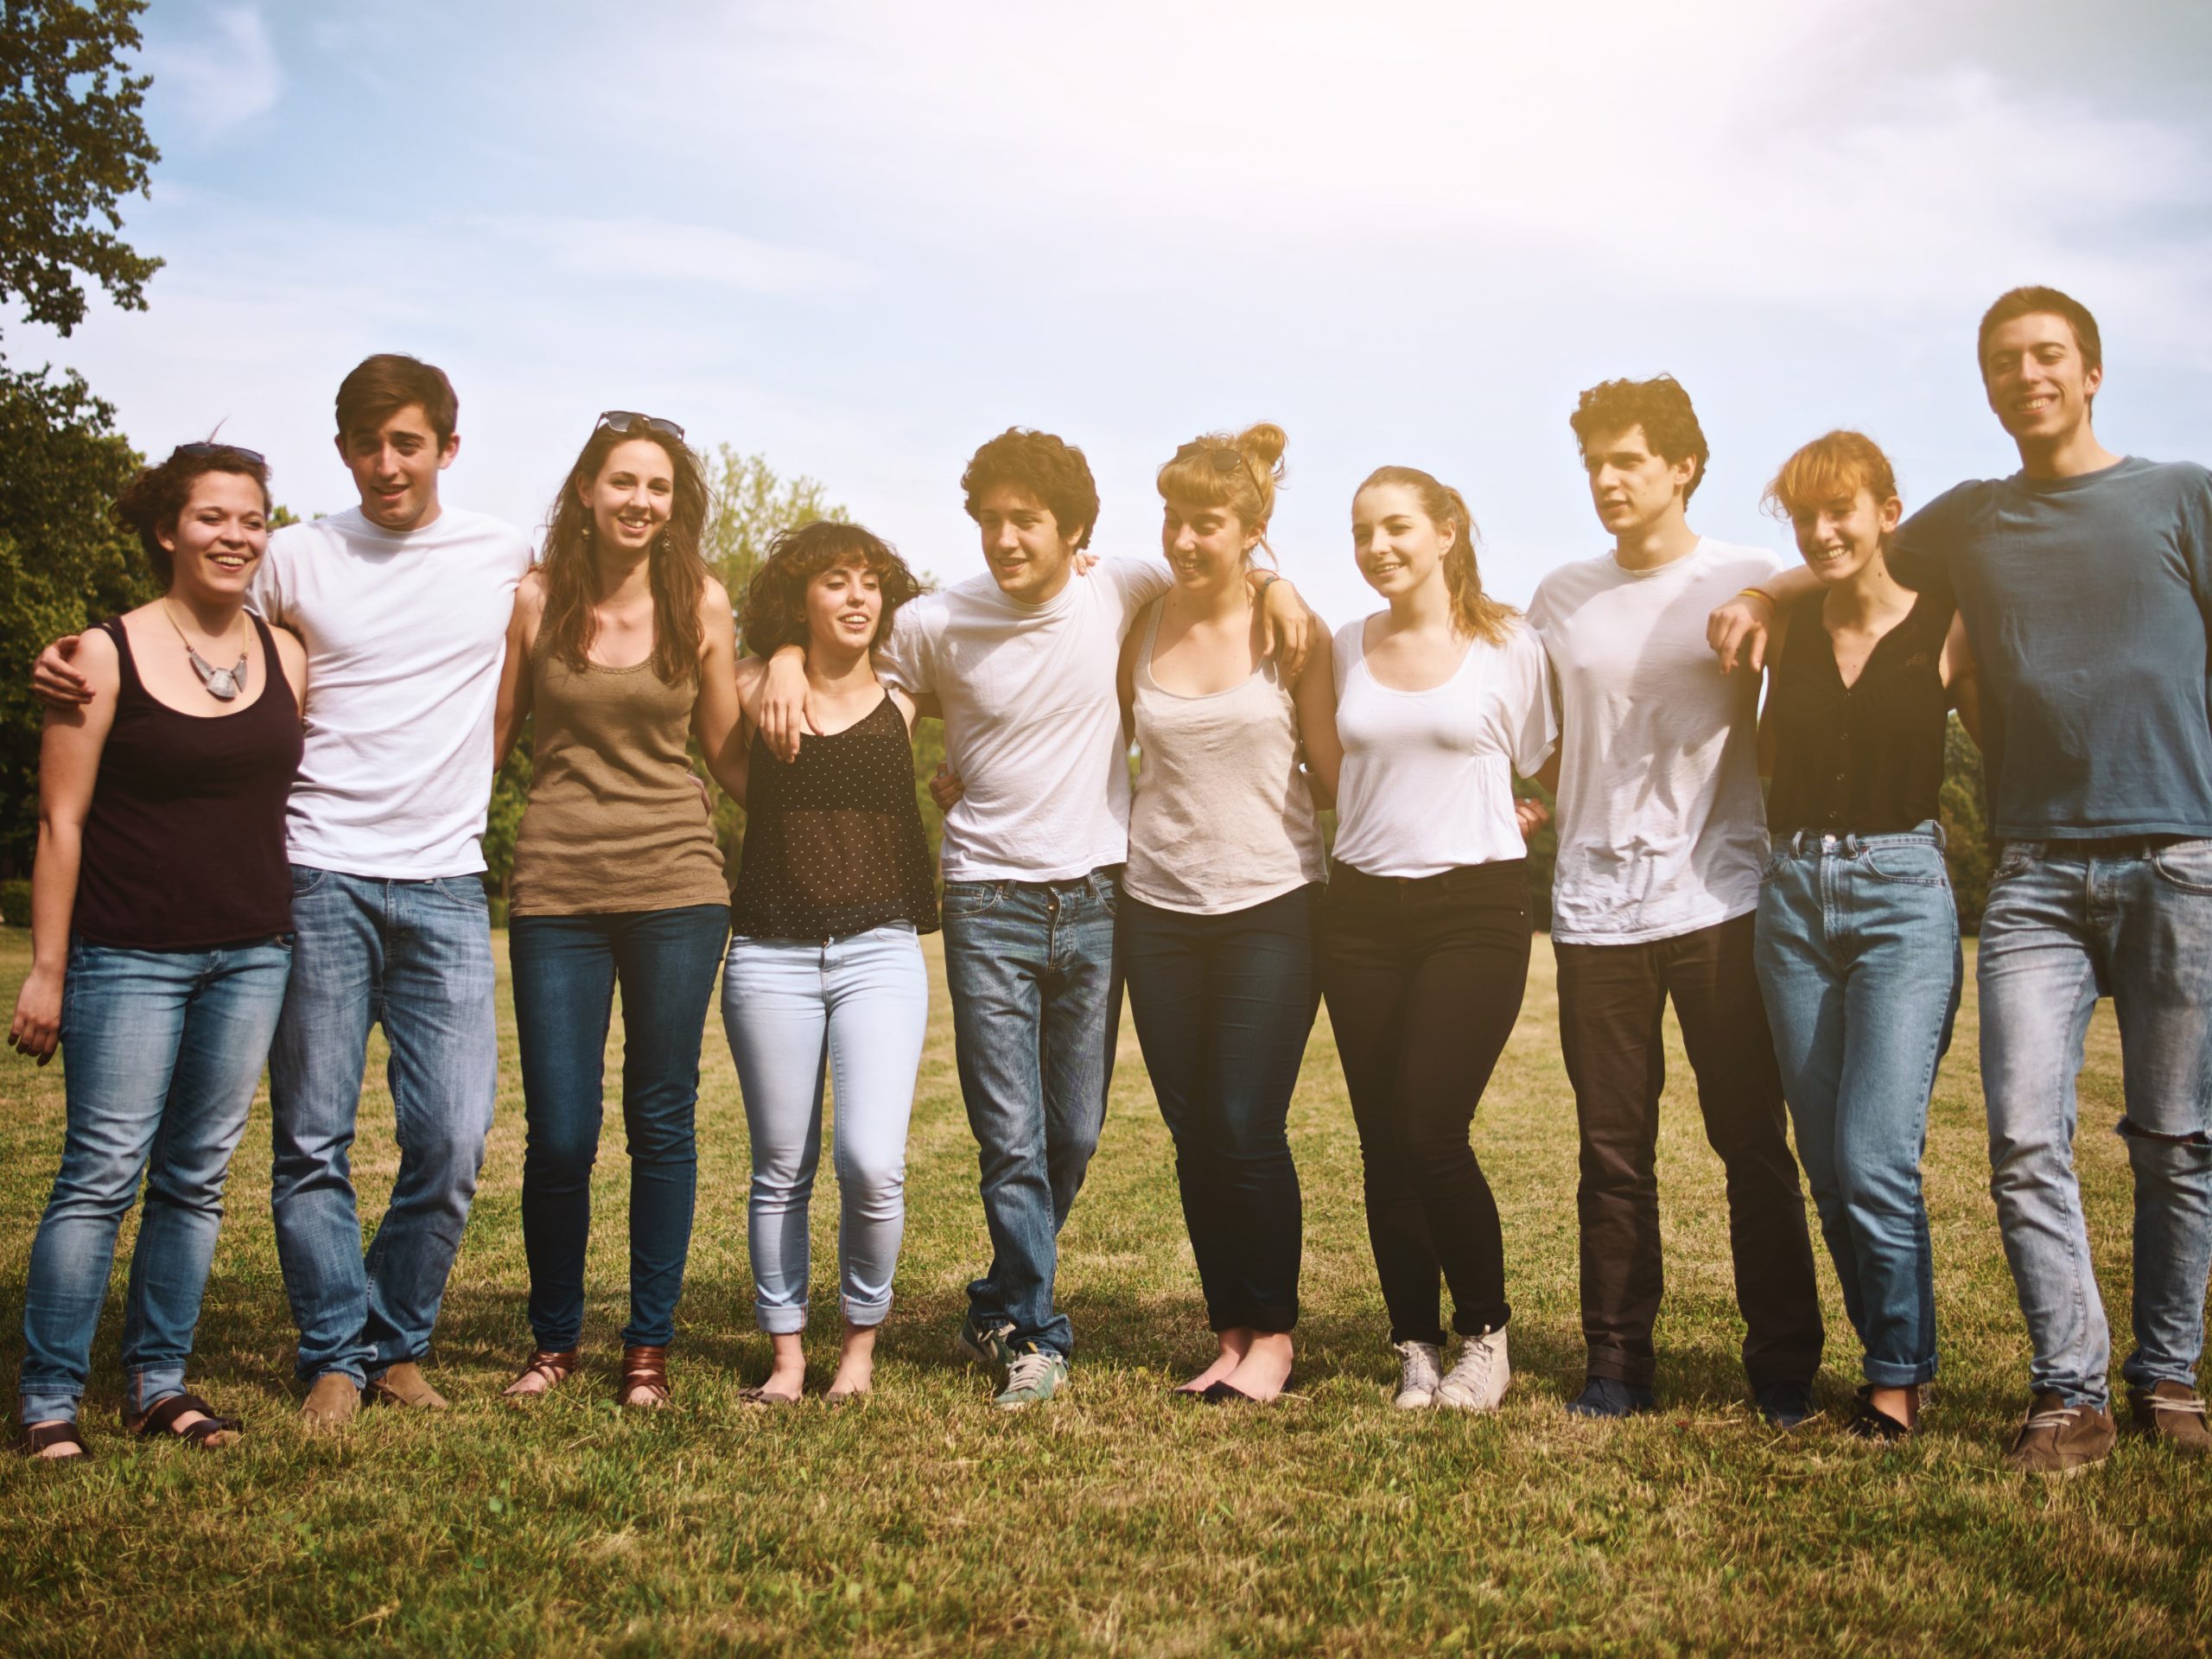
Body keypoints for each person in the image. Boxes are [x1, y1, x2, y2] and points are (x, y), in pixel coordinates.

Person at [1712, 288, 2212, 1473]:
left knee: (2178, 1139)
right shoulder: (1972, 521)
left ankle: (2171, 1372)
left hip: (2181, 852)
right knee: (2026, 1140)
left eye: (2047, 356)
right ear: (1986, 388)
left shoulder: (2179, 494)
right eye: (2003, 362)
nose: (2026, 375)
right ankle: (2068, 1392)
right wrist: (1747, 593)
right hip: (2034, 868)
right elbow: (1835, 553)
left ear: (2091, 372)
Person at [757, 427, 1313, 1408]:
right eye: (990, 520)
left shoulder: (1121, 585)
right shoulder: (935, 621)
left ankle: (1003, 1294)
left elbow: (1221, 566)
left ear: (1076, 531)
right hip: (985, 898)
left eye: (1027, 520)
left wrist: (1278, 586)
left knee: (1076, 1132)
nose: (1005, 538)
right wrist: (789, 655)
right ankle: (1033, 1337)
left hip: (1101, 893)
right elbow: (866, 670)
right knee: (1009, 1137)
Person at [35, 354, 531, 1427]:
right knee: (312, 1141)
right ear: (342, 450)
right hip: (313, 876)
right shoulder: (293, 556)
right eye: (365, 443)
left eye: (408, 443)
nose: (386, 464)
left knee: (450, 1140)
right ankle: (333, 1360)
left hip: (447, 878)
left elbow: (614, 611)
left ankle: (397, 1342)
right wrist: (70, 655)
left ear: (449, 446)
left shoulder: (503, 554)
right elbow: (179, 627)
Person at [1528, 375, 1825, 1425]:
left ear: (1681, 467)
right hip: (1593, 908)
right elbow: (1531, 728)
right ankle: (1615, 1366)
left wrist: (1763, 597)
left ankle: (1783, 1370)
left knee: (1751, 1140)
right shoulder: (1561, 593)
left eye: (1627, 462)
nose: (1607, 481)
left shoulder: (1746, 574)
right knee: (1611, 1153)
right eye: (1594, 465)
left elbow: (1831, 583)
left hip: (1722, 897)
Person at [10, 443, 308, 1458]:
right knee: (101, 1175)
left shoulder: (287, 655)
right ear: (166, 530)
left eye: (253, 520)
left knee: (196, 1178)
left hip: (253, 953)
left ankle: (159, 1385)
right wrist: (48, 969)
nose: (235, 536)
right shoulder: (100, 654)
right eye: (214, 517)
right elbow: (62, 822)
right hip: (128, 954)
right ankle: (48, 1399)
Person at [491, 413, 742, 1410]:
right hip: (555, 887)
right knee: (558, 1132)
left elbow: (726, 755)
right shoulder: (536, 600)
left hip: (679, 887)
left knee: (661, 1119)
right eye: (623, 482)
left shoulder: (702, 604)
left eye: (659, 486)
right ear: (587, 493)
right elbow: (491, 735)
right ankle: (555, 1342)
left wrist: (826, 798)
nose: (641, 501)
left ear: (674, 505)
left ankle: (647, 1348)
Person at [1751, 430, 1979, 1440]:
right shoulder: (1784, 625)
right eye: (1804, 516)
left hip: (1902, 894)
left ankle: (1895, 1377)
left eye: (1840, 509)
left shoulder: (1948, 626)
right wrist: (1762, 594)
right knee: (1828, 1165)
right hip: (1791, 896)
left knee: (1874, 1154)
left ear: (1890, 512)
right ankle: (1892, 1350)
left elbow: (2008, 748)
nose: (1821, 530)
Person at [1317, 467, 1554, 1413]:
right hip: (1362, 912)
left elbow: (1539, 758)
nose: (1377, 547)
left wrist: (1523, 807)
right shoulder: (1341, 646)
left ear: (1447, 531)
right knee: (1383, 1142)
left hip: (1475, 909)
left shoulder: (1510, 645)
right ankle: (1414, 1345)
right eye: (1361, 531)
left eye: (1397, 527)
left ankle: (1485, 1335)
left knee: (1429, 1125)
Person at [1109, 424, 1328, 1403]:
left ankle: (1276, 1334)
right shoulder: (1138, 621)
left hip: (1270, 902)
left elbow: (1332, 769)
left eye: (1206, 523)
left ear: (1252, 530)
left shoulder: (1289, 626)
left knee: (1245, 1121)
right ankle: (1231, 1331)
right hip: (1156, 905)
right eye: (1172, 518)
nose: (1183, 539)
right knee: (1194, 1127)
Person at [722, 520, 937, 1403]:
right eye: (835, 581)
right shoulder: (746, 688)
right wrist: (777, 659)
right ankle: (787, 1357)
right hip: (769, 952)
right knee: (781, 1165)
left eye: (871, 581)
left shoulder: (908, 693)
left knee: (871, 1161)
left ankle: (859, 1346)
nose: (857, 596)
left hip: (880, 950)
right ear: (797, 598)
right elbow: (728, 768)